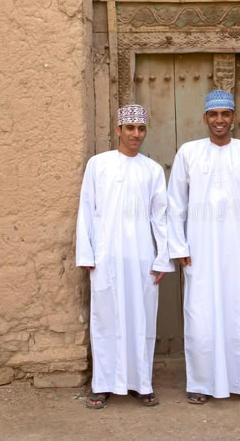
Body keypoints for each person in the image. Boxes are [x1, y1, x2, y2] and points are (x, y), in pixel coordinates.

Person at [167, 89, 240, 404]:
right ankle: (201, 383)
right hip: (199, 250)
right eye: (213, 115)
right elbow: (176, 203)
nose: (219, 121)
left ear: (232, 117)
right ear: (205, 118)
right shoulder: (188, 152)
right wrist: (179, 246)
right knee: (200, 313)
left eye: (225, 115)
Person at [76, 104, 174, 409]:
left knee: (141, 319)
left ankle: (141, 383)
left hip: (141, 257)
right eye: (129, 128)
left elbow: (161, 217)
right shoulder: (98, 164)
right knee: (105, 319)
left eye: (141, 129)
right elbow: (87, 210)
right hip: (106, 256)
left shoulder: (153, 169)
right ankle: (102, 384)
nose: (135, 134)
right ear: (118, 130)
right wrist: (87, 252)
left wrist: (163, 257)